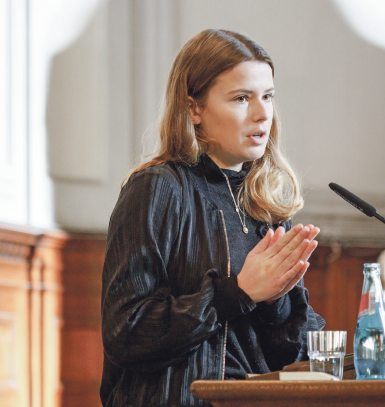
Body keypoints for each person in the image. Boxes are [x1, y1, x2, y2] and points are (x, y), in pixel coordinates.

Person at [100, 29, 325, 407]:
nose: (262, 113)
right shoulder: (157, 188)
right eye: (241, 98)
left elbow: (293, 357)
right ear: (194, 109)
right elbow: (126, 332)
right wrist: (236, 294)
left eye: (267, 96)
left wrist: (277, 305)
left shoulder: (265, 205)